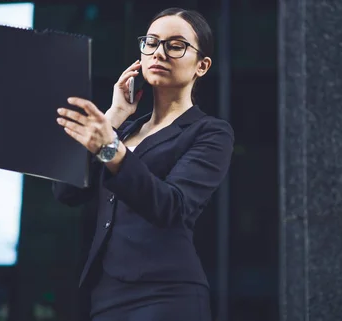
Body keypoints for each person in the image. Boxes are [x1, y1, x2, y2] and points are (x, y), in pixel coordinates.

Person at [52, 7, 234, 321]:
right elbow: (66, 192)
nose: (158, 53)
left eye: (175, 45)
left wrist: (110, 149)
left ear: (201, 66)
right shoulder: (123, 130)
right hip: (106, 296)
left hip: (166, 294)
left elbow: (172, 206)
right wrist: (114, 116)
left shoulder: (210, 132)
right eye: (151, 42)